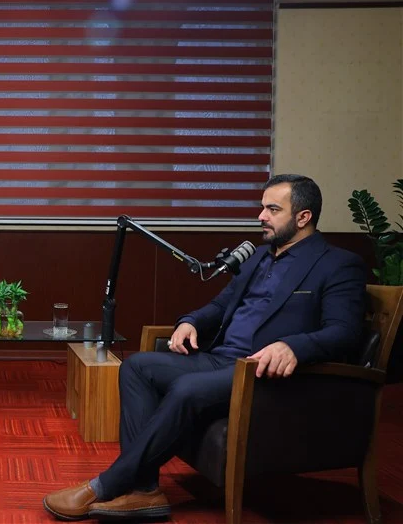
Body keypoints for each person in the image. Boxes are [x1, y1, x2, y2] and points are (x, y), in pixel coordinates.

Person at [43, 174, 367, 521]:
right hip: (220, 359)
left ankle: (108, 484)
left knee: (186, 388)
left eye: (273, 209)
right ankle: (144, 490)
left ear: (303, 217)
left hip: (260, 373)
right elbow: (220, 305)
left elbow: (345, 332)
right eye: (262, 207)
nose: (261, 216)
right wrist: (191, 322)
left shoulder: (337, 264)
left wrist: (293, 346)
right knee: (137, 367)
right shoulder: (258, 257)